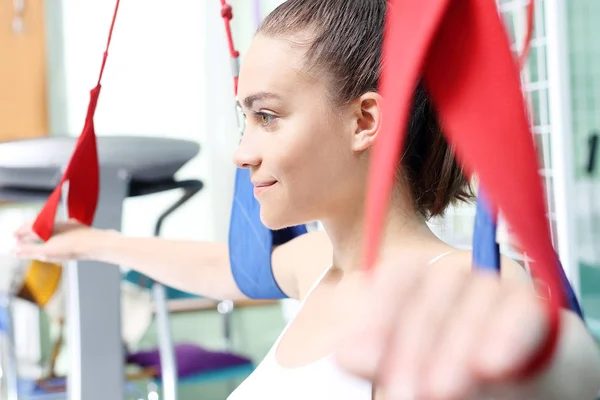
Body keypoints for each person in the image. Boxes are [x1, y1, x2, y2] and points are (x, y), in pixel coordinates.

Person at [14, 0, 600, 399]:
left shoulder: (462, 296)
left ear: (365, 120)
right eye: (246, 119)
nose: (241, 154)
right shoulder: (321, 265)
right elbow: (225, 268)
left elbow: (551, 363)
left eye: (268, 116)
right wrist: (91, 242)